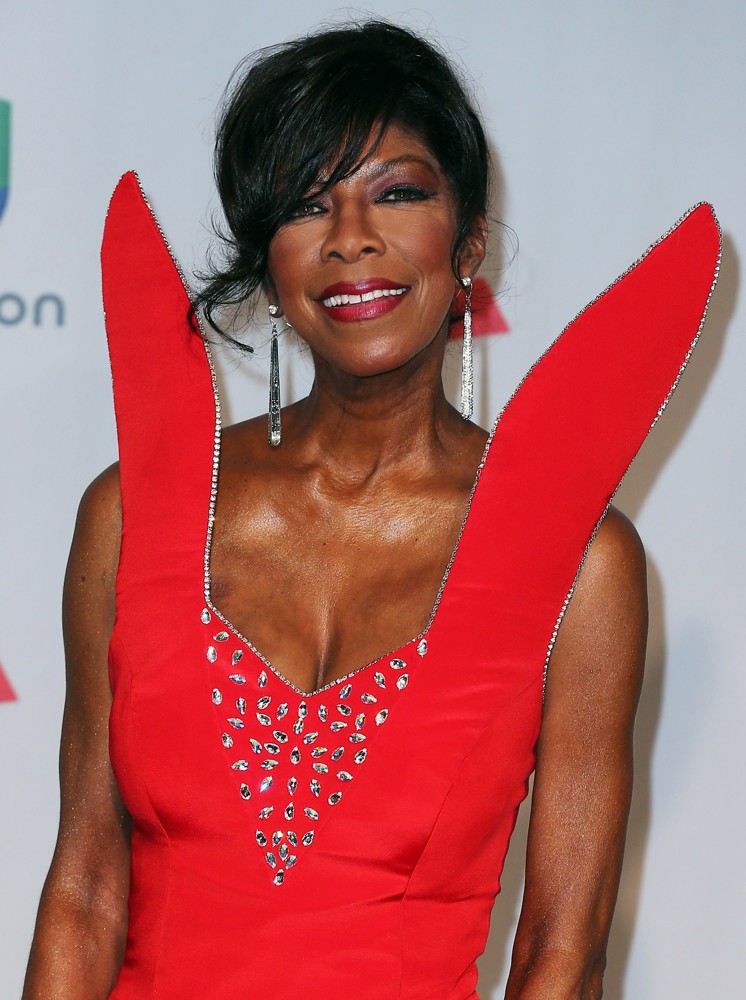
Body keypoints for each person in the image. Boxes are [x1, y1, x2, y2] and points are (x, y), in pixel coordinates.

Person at [23, 19, 719, 1000]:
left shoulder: (581, 561)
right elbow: (86, 891)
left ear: (467, 242)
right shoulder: (132, 511)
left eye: (397, 192)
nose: (351, 235)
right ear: (269, 262)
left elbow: (562, 950)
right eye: (309, 203)